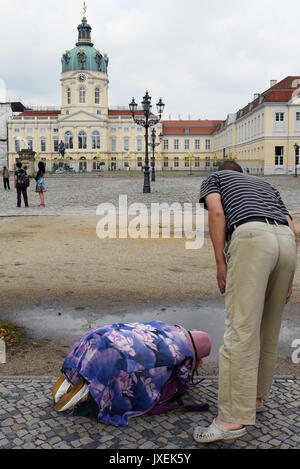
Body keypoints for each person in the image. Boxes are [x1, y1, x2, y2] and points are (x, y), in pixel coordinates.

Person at [193, 161, 297, 444]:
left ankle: (230, 419)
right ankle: (254, 398)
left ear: (223, 171)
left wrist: (220, 263)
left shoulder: (214, 178)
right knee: (268, 327)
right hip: (285, 243)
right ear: (242, 173)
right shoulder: (266, 185)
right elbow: (291, 226)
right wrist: (288, 280)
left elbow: (216, 213)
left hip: (252, 239)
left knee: (241, 329)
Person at [52, 320, 211, 427]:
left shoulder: (164, 327)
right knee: (133, 379)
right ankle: (88, 396)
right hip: (120, 354)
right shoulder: (186, 353)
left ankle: (77, 376)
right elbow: (182, 381)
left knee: (109, 357)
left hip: (102, 336)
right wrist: (193, 364)